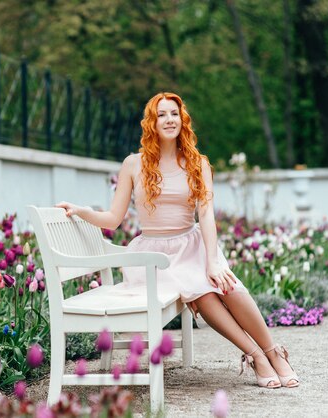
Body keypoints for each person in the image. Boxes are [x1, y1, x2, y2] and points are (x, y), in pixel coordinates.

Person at [56, 92, 299, 389]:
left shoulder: (198, 163)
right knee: (204, 294)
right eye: (161, 114)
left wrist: (212, 261)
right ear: (152, 123)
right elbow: (114, 218)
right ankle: (256, 357)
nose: (168, 119)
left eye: (174, 113)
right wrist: (82, 212)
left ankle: (275, 353)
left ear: (182, 120)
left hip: (192, 245)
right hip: (154, 256)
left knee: (227, 284)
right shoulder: (133, 164)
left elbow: (206, 215)